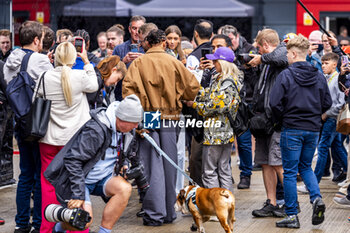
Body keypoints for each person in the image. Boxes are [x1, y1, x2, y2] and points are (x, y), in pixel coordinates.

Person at [123, 29, 200, 226]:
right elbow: (193, 88)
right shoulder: (173, 61)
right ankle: (168, 212)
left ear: (148, 43)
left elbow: (128, 91)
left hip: (149, 115)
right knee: (169, 164)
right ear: (164, 43)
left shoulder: (139, 63)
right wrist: (179, 96)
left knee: (151, 165)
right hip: (171, 115)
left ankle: (154, 213)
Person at [44, 95, 143, 233]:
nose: (137, 126)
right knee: (84, 220)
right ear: (121, 119)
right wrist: (78, 195)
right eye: (134, 122)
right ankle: (59, 227)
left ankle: (104, 231)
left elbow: (125, 152)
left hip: (103, 178)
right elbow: (73, 160)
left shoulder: (127, 130)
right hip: (81, 180)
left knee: (125, 189)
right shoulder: (96, 129)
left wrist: (125, 164)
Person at [270, 35, 331, 228]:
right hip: (312, 129)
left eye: (288, 53)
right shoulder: (319, 75)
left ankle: (291, 215)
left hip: (292, 128)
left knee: (289, 172)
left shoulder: (286, 75)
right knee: (305, 167)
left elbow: (274, 103)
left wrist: (282, 119)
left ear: (294, 53)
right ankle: (316, 198)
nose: (287, 56)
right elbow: (327, 103)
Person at [37, 41, 98, 233]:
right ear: (74, 57)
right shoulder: (80, 76)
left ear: (54, 57)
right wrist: (87, 61)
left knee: (48, 185)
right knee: (74, 184)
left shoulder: (44, 76)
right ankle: (77, 228)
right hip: (73, 142)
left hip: (48, 139)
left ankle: (47, 228)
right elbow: (94, 85)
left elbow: (36, 102)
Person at [4, 20, 53, 233]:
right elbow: (52, 86)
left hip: (20, 121)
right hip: (38, 122)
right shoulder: (40, 60)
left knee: (25, 175)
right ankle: (37, 224)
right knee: (40, 174)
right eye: (41, 39)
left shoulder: (9, 60)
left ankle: (21, 223)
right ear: (36, 40)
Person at [248, 29, 288, 218]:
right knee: (265, 162)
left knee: (278, 163)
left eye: (259, 48)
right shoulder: (265, 61)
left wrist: (261, 59)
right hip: (262, 118)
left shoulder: (282, 52)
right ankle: (271, 202)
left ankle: (290, 204)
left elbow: (281, 56)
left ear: (265, 44)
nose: (258, 52)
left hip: (277, 120)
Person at [190, 47, 242, 192]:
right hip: (223, 133)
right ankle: (226, 205)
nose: (213, 62)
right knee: (224, 170)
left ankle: (215, 207)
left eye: (215, 60)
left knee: (209, 172)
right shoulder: (221, 78)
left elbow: (213, 107)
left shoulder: (227, 82)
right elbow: (208, 95)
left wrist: (193, 104)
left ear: (222, 62)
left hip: (216, 133)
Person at [220, 25, 258, 189]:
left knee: (244, 142)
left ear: (237, 36)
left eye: (231, 40)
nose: (230, 43)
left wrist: (248, 65)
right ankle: (226, 175)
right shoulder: (220, 51)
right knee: (225, 141)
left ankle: (246, 175)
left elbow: (256, 77)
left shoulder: (250, 50)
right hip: (226, 103)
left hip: (246, 103)